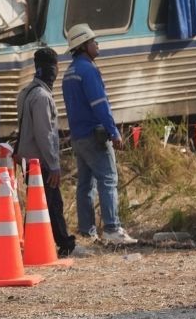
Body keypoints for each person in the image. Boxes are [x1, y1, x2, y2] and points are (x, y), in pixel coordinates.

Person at [60, 23, 136, 246]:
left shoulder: (69, 72)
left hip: (78, 136)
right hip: (94, 135)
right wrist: (113, 131)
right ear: (84, 46)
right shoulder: (88, 70)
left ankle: (87, 232)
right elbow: (100, 104)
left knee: (85, 184)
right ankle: (112, 229)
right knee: (108, 179)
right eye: (93, 41)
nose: (97, 44)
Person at [15, 47, 87, 258]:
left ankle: (34, 244)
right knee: (53, 204)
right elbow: (45, 134)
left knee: (37, 205)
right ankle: (66, 244)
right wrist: (53, 165)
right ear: (52, 69)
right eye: (55, 66)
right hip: (41, 163)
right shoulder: (42, 97)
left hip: (29, 160)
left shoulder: (25, 92)